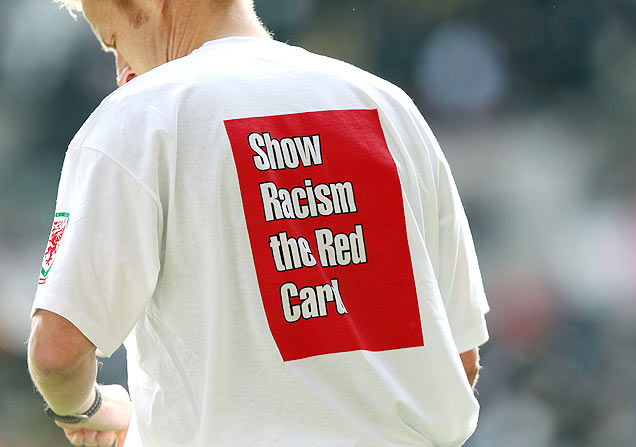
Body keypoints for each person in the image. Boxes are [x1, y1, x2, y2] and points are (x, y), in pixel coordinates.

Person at [27, 0, 490, 446]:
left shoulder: (140, 117)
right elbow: (459, 359)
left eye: (114, 41)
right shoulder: (389, 107)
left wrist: (84, 409)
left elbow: (56, 355)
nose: (122, 73)